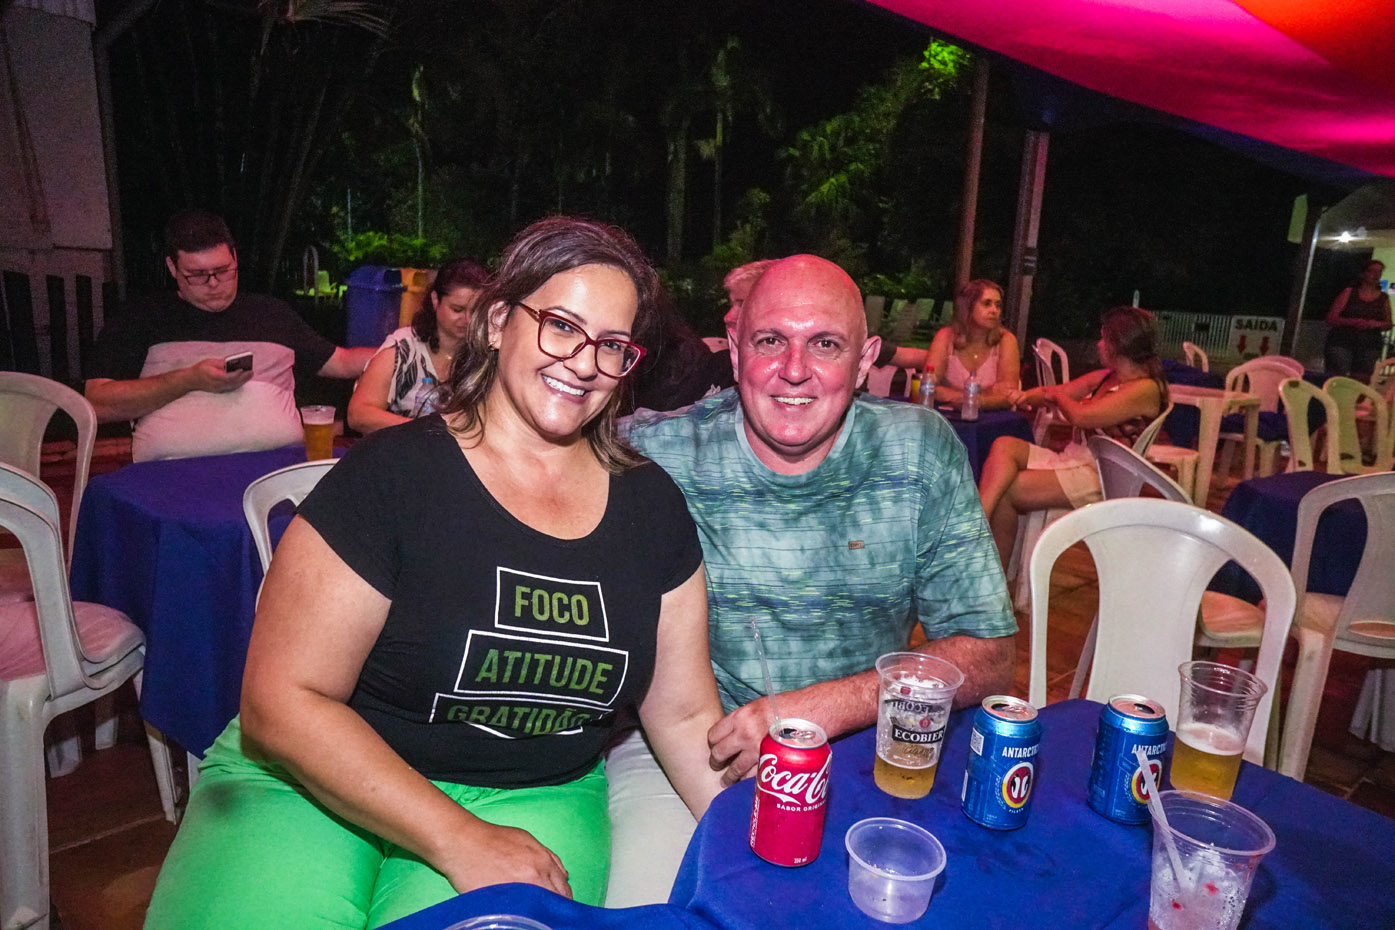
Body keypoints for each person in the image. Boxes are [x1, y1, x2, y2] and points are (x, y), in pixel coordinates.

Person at [143, 217, 731, 929]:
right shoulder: (392, 475)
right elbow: (282, 702)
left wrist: (760, 852)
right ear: (497, 322)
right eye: (561, 327)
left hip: (528, 794)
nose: (584, 363)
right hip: (308, 777)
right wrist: (457, 836)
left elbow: (683, 714)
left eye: (611, 344)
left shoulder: (652, 507)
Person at [605, 254, 1017, 906]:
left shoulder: (917, 450)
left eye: (825, 344)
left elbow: (989, 655)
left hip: (865, 748)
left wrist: (822, 706)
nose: (794, 369)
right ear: (735, 350)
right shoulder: (659, 453)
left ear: (865, 360)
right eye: (770, 341)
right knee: (648, 905)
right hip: (681, 751)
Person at [85, 209, 376, 462]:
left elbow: (341, 361)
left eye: (223, 270)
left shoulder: (271, 313)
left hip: (275, 466)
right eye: (197, 275)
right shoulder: (142, 317)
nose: (213, 283)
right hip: (172, 472)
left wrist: (397, 346)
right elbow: (98, 404)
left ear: (235, 257)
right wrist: (188, 380)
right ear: (173, 268)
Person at [977, 306, 1168, 566]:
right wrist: (1022, 396)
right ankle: (977, 520)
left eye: (1103, 338)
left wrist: (1057, 396)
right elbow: (1057, 391)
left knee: (1009, 489)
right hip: (1075, 460)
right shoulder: (1107, 377)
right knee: (1004, 445)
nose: (1099, 344)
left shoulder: (1144, 389)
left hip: (1101, 477)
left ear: (1118, 345)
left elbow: (1081, 416)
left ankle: (993, 573)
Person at [348, 257, 489, 433]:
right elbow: (358, 414)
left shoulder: (487, 354)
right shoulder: (404, 348)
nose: (467, 319)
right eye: (457, 310)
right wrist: (423, 431)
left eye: (475, 311)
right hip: (401, 447)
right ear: (435, 300)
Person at [922, 278, 1021, 409]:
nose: (994, 310)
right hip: (949, 414)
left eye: (998, 305)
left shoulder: (1006, 340)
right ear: (967, 307)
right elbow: (929, 386)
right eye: (987, 304)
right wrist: (985, 396)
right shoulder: (945, 336)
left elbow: (1009, 395)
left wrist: (973, 401)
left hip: (993, 416)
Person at [1324, 259, 1392, 378]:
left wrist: (1375, 324)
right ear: (1363, 273)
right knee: (1338, 374)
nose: (1376, 275)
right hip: (1343, 341)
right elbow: (1331, 318)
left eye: (1379, 272)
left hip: (1369, 343)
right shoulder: (1349, 292)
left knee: (1362, 377)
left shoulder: (1383, 298)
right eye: (1372, 271)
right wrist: (1352, 322)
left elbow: (1388, 323)